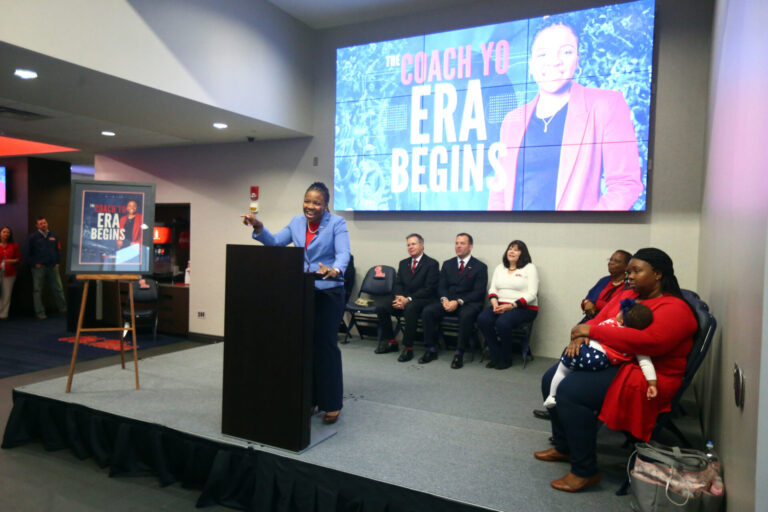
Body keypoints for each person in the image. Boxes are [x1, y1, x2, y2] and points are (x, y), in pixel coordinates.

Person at [534, 248, 697, 493]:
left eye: (636, 271)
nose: (629, 276)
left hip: (646, 374)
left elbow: (650, 342)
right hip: (618, 359)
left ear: (658, 274)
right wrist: (580, 336)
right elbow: (598, 319)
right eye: (629, 271)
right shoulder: (630, 294)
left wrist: (591, 332)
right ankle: (564, 446)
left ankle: (585, 471)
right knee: (550, 378)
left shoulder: (675, 307)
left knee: (570, 392)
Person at [488, 22, 643, 211]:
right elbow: (500, 192)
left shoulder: (606, 104)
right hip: (517, 235)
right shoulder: (512, 121)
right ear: (531, 65)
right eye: (543, 54)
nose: (554, 61)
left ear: (578, 61)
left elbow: (625, 184)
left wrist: (585, 227)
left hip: (574, 236)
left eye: (566, 52)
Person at [241, 182, 350, 425]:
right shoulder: (296, 222)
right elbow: (277, 242)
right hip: (303, 290)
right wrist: (259, 227)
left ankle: (332, 402)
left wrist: (335, 269)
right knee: (305, 345)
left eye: (316, 203)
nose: (310, 206)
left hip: (329, 292)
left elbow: (343, 253)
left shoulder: (337, 224)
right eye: (307, 201)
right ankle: (310, 398)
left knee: (325, 346)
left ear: (326, 205)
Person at [543, 298, 656, 409]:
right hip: (600, 363)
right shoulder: (635, 342)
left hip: (585, 353)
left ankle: (552, 396)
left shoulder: (610, 323)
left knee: (562, 370)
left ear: (621, 320)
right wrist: (652, 384)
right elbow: (646, 363)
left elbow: (591, 331)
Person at [421, 233, 487, 368]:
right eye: (456, 243)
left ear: (470, 246)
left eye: (462, 243)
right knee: (428, 311)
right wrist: (444, 299)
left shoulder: (480, 267)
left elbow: (478, 292)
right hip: (448, 301)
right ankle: (430, 349)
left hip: (468, 303)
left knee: (466, 315)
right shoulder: (447, 264)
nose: (458, 246)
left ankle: (459, 353)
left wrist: (458, 301)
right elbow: (441, 286)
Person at [374, 233, 439, 362]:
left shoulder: (432, 264)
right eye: (408, 245)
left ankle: (408, 348)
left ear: (422, 245)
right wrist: (399, 297)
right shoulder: (403, 263)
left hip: (423, 300)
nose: (410, 247)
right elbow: (398, 283)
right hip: (404, 299)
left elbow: (429, 288)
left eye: (413, 244)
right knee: (381, 306)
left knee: (410, 308)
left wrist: (407, 299)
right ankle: (391, 341)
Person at [477, 240, 538, 369]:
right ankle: (495, 354)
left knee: (502, 322)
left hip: (524, 308)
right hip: (500, 305)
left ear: (523, 253)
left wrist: (511, 306)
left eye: (516, 249)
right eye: (510, 248)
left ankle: (506, 357)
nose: (511, 251)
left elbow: (532, 294)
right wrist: (494, 303)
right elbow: (493, 289)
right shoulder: (500, 267)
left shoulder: (529, 268)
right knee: (483, 319)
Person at [28, 217, 67, 319]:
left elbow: (58, 249)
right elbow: (29, 253)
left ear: (47, 223)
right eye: (41, 224)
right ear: (37, 226)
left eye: (44, 223)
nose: (43, 225)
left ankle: (63, 309)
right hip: (39, 268)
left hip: (52, 266)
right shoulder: (33, 237)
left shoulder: (54, 236)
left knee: (58, 289)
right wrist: (34, 263)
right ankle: (40, 312)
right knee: (37, 290)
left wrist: (58, 262)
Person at [581, 249, 631, 319]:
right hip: (592, 318)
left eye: (616, 261)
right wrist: (587, 302)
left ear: (626, 266)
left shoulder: (629, 285)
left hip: (611, 322)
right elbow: (588, 299)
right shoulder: (604, 280)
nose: (611, 263)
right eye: (610, 260)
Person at [0, 226, 21, 319]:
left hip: (9, 273)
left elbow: (18, 259)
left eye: (8, 232)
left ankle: (3, 314)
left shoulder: (14, 245)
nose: (6, 234)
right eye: (4, 232)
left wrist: (9, 261)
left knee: (7, 294)